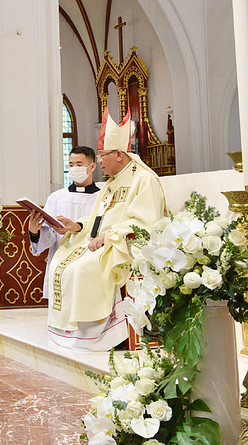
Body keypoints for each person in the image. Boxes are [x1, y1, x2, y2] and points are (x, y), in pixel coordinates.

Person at [47, 110, 166, 351]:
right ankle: (71, 330)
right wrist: (78, 226)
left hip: (126, 244)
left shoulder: (143, 179)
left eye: (102, 156)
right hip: (105, 240)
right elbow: (99, 217)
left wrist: (109, 236)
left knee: (80, 268)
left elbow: (146, 222)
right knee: (60, 263)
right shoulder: (112, 182)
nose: (99, 161)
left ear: (119, 155)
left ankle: (95, 332)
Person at [29, 147, 100, 299]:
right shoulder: (56, 198)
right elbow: (48, 235)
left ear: (92, 167)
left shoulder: (102, 198)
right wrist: (34, 232)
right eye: (71, 165)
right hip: (60, 262)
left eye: (79, 164)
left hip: (89, 263)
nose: (74, 169)